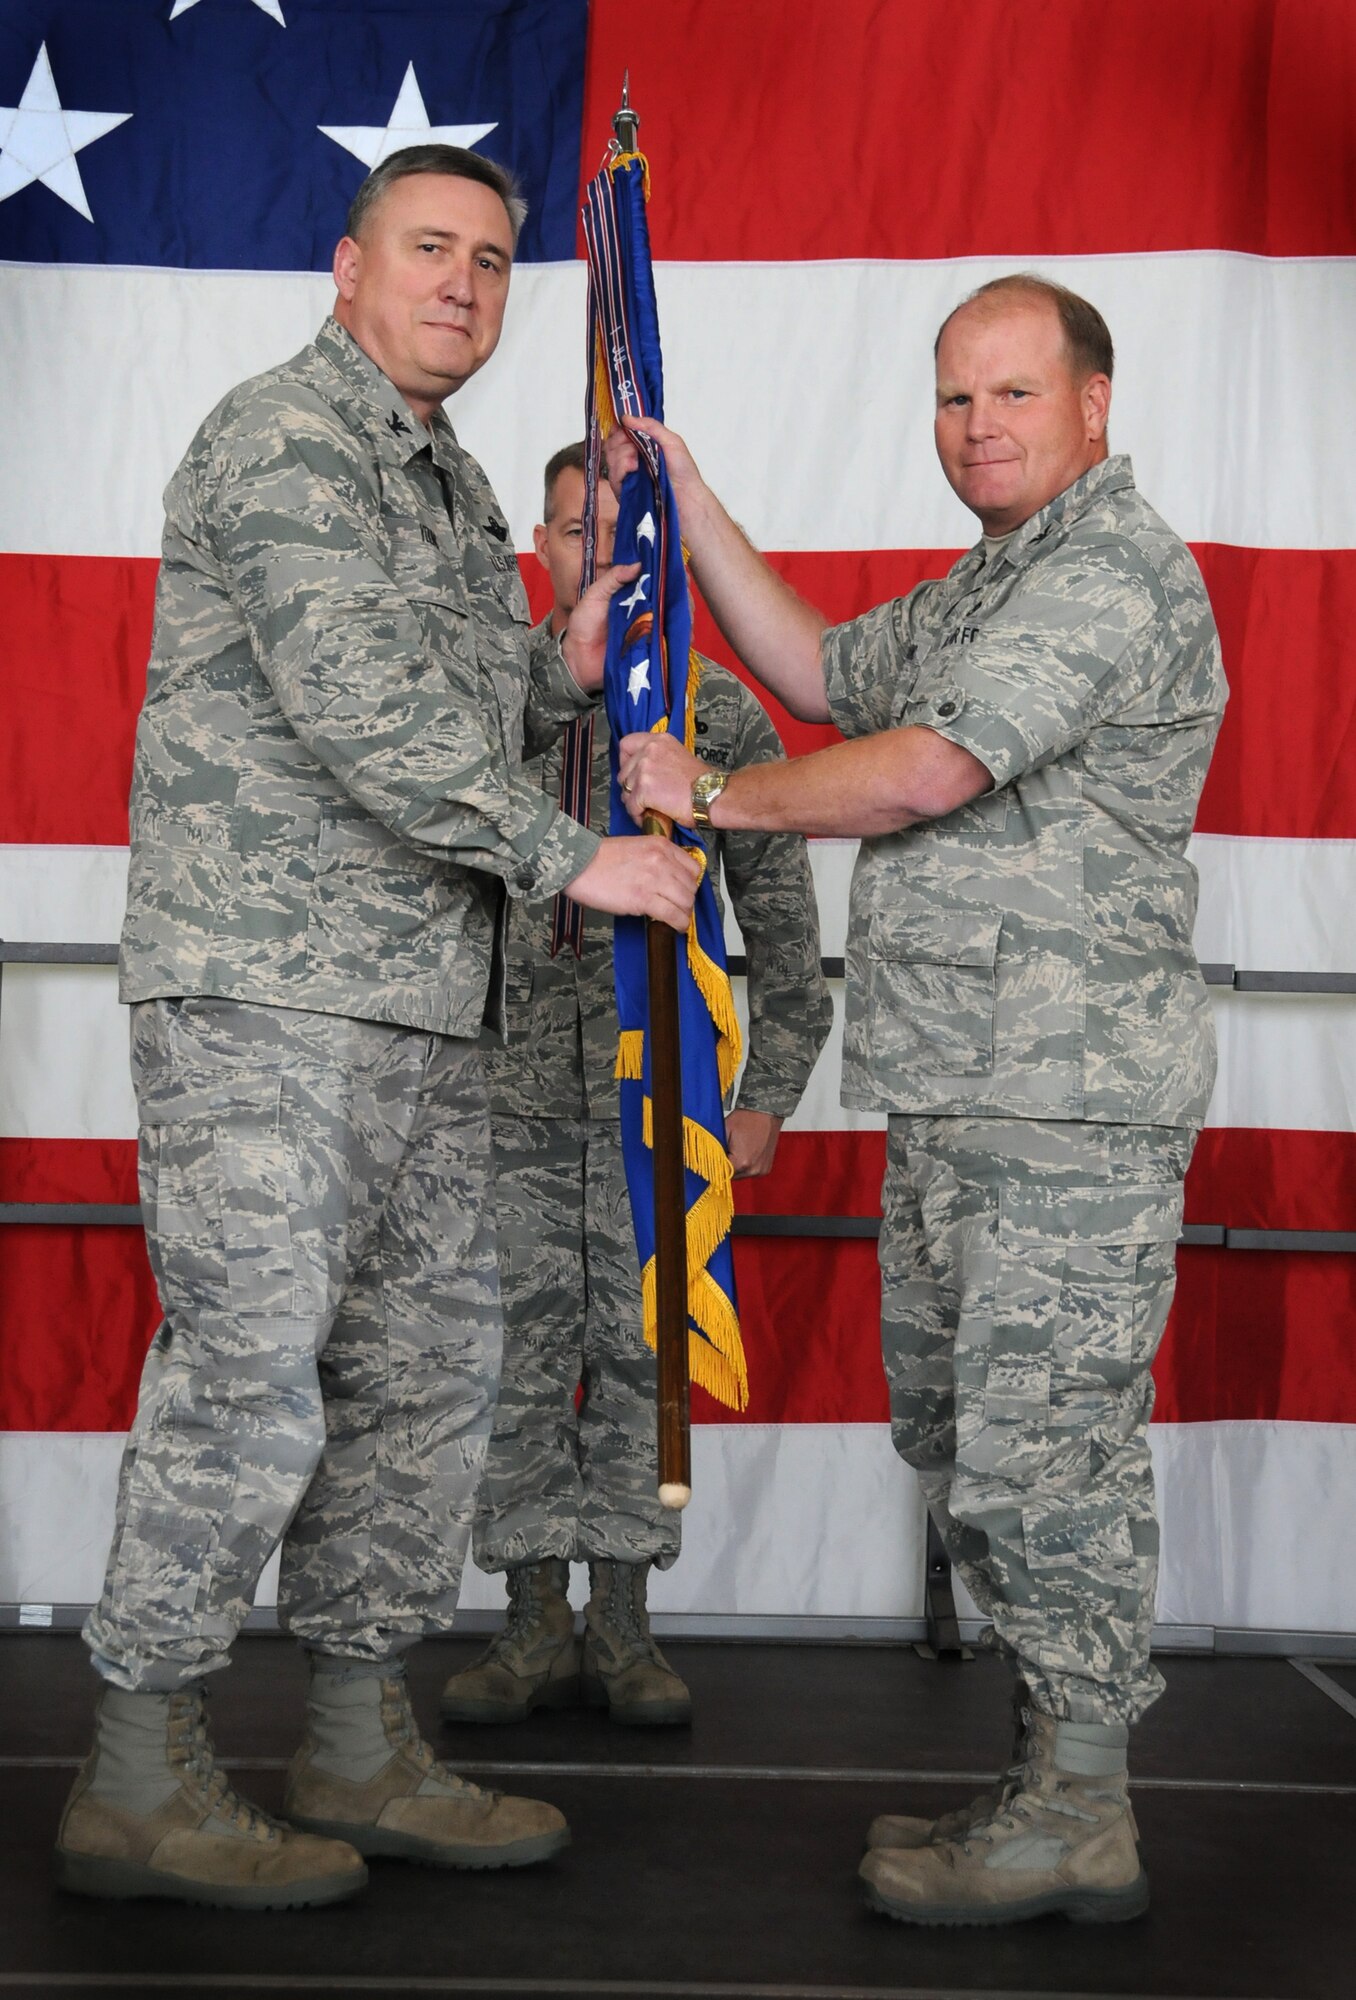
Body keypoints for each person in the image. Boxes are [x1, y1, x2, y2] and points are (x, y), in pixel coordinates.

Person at [55, 145, 702, 1912]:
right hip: (270, 995)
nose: (464, 288)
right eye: (431, 251)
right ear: (347, 267)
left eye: (492, 264)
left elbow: (458, 701)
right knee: (250, 1387)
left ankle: (355, 1731)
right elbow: (362, 719)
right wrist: (590, 860)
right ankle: (137, 1770)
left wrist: (552, 671)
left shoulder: (442, 479)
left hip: (424, 999)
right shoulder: (286, 439)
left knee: (425, 1388)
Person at [613, 275, 1226, 1925]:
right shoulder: (988, 583)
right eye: (955, 399)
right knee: (967, 1452)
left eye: (1013, 395)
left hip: (1065, 1105)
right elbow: (823, 668)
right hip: (963, 1094)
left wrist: (710, 795)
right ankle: (1047, 1779)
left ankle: (1084, 1812)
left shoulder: (1104, 569)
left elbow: (928, 767)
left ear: (1093, 405)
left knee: (1048, 1465)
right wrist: (687, 493)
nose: (979, 427)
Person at [439, 445, 832, 1728]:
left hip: (652, 1095)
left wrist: (766, 1088)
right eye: (567, 530)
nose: (590, 552)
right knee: (512, 1356)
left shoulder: (711, 716)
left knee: (640, 1347)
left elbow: (782, 930)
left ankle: (623, 1617)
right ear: (538, 549)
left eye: (616, 530)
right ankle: (530, 1618)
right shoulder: (486, 712)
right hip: (498, 1096)